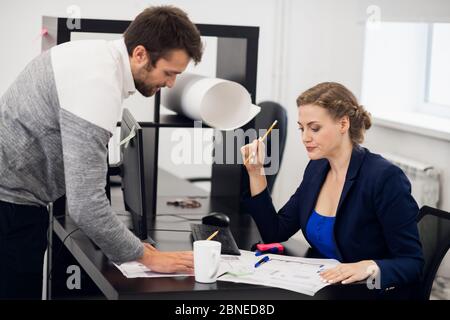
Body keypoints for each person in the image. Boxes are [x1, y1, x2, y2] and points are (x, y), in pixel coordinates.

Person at [0, 6, 203, 299]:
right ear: (141, 54)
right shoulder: (98, 85)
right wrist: (147, 257)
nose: (170, 84)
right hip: (10, 208)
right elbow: (85, 206)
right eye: (169, 73)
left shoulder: (94, 56)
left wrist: (132, 245)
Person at [241, 82, 424, 295]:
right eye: (302, 128)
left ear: (343, 124)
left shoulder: (384, 177)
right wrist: (256, 172)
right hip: (325, 285)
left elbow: (412, 263)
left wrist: (368, 266)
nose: (305, 138)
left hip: (368, 292)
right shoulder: (317, 168)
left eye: (314, 128)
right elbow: (275, 231)